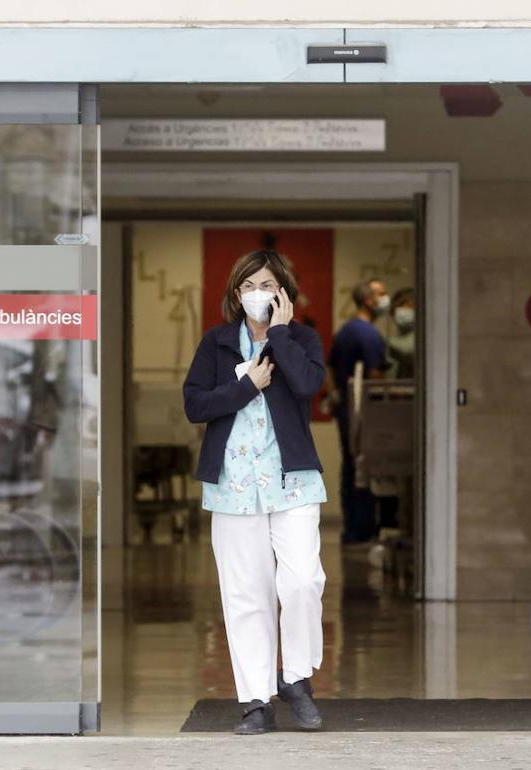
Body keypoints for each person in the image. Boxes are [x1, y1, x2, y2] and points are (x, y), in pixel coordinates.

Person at [183, 249, 327, 735]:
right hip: (233, 485)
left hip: (294, 480)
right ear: (235, 294)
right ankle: (255, 702)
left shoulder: (302, 338)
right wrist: (247, 387)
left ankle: (296, 679)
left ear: (283, 291)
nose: (256, 294)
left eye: (265, 284)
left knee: (303, 581)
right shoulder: (218, 343)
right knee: (247, 595)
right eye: (247, 286)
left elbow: (308, 384)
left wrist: (281, 334)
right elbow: (194, 404)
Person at [326, 279, 389, 544]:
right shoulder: (369, 335)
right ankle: (362, 528)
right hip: (364, 413)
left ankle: (352, 527)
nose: (385, 300)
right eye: (381, 294)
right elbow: (376, 377)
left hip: (346, 411)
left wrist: (335, 397)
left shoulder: (345, 332)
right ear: (369, 300)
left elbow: (329, 369)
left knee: (350, 467)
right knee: (365, 468)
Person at [386, 287, 416, 380]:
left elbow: (407, 350)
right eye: (399, 306)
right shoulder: (399, 337)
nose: (403, 310)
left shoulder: (423, 336)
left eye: (409, 306)